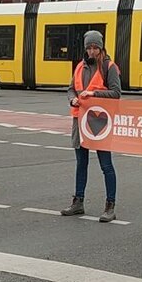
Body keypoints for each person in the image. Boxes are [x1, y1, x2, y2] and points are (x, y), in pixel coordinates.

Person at [60, 30, 121, 222]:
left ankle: (110, 205)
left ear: (101, 47)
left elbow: (116, 93)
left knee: (106, 165)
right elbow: (71, 89)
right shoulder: (80, 66)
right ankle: (78, 201)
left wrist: (93, 95)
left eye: (95, 47)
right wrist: (73, 100)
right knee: (81, 163)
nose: (92, 51)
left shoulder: (109, 67)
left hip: (100, 122)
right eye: (89, 48)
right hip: (80, 120)